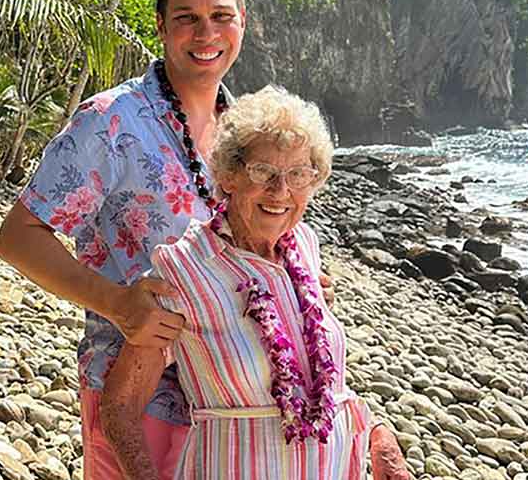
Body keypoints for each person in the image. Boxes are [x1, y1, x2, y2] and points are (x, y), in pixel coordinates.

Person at [0, 0, 335, 479]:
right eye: (187, 18)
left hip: (236, 410)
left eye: (221, 16)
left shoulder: (245, 126)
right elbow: (18, 236)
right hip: (139, 400)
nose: (206, 34)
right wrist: (118, 303)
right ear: (160, 24)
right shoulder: (110, 122)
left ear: (241, 22)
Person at [100, 86, 411, 480]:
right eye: (263, 171)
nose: (281, 191)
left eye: (298, 173)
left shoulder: (304, 248)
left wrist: (377, 433)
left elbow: (325, 383)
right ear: (228, 175)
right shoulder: (183, 269)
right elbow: (120, 406)